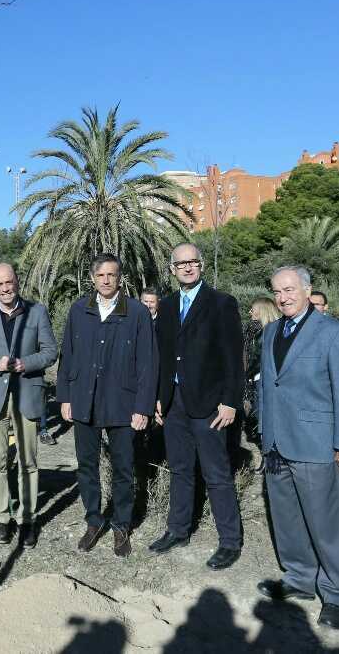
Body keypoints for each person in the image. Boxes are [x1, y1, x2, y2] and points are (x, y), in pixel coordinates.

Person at [256, 266, 339, 631]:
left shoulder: (334, 332)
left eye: (289, 290)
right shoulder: (270, 332)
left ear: (307, 289)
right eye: (277, 291)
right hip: (276, 443)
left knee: (325, 524)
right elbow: (268, 387)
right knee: (287, 519)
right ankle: (300, 578)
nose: (283, 297)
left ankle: (337, 594)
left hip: (316, 443)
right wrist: (263, 434)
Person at [150, 243, 244, 571]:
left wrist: (231, 400)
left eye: (193, 262)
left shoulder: (221, 304)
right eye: (181, 263)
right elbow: (162, 358)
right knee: (180, 470)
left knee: (216, 473)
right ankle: (178, 530)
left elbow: (234, 357)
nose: (188, 267)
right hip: (174, 404)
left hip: (209, 405)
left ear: (201, 265)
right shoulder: (167, 305)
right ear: (172, 269)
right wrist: (159, 399)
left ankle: (230, 541)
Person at [58, 255, 157, 557]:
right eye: (100, 275)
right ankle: (93, 521)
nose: (106, 280)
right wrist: (65, 398)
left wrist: (143, 407)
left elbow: (148, 364)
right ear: (92, 278)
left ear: (119, 278)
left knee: (124, 470)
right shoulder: (79, 310)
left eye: (111, 275)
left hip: (122, 404)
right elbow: (68, 356)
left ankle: (121, 526)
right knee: (87, 466)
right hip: (84, 402)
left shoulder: (137, 313)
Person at [0, 263, 58, 547]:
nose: (5, 289)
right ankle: (1, 520)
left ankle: (27, 519)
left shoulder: (36, 311)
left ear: (17, 282)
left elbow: (50, 351)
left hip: (26, 395)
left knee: (28, 462)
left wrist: (24, 364)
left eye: (9, 282)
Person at [245, 298, 281, 443]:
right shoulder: (271, 331)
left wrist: (246, 373)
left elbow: (256, 359)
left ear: (262, 311)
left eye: (253, 309)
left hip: (262, 379)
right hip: (261, 379)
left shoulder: (265, 333)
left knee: (263, 418)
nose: (249, 312)